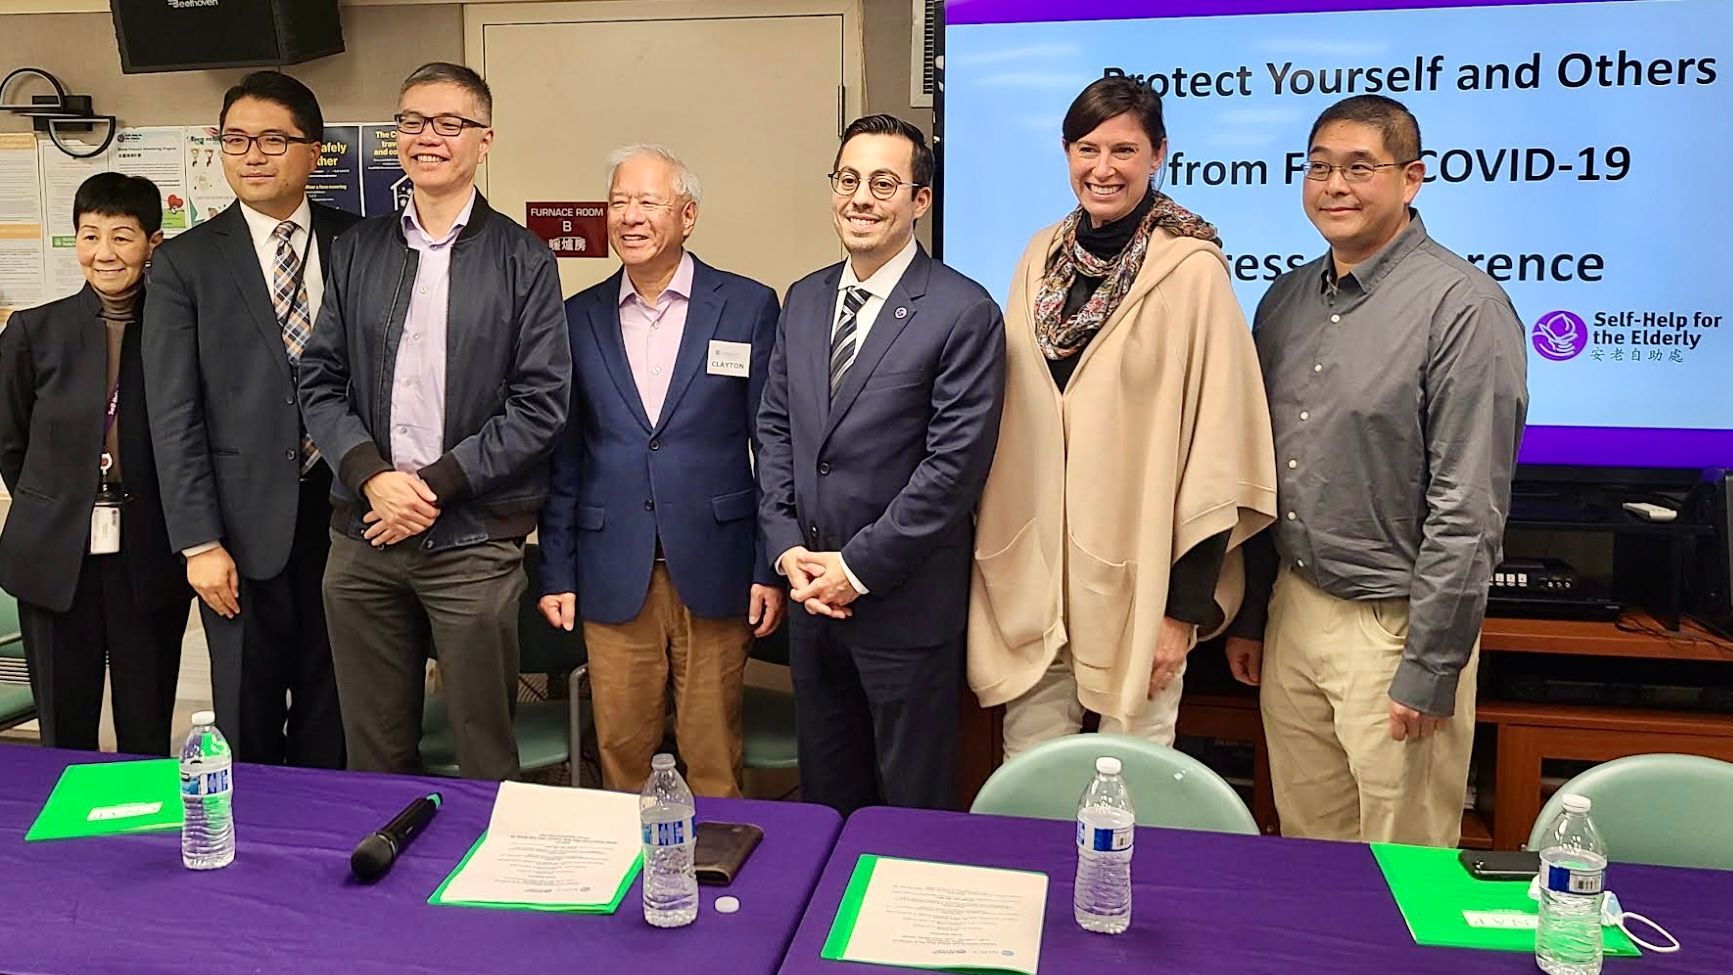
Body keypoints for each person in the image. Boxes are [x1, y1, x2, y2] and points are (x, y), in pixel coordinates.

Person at [1224, 95, 1528, 847]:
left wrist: (1429, 664)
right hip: (1296, 608)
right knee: (1307, 849)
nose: (1335, 186)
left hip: (1395, 626)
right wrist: (1259, 610)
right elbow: (1265, 471)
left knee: (1402, 863)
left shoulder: (1463, 306)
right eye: (1319, 167)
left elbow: (1468, 505)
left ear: (1412, 178)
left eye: (1360, 168)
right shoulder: (1285, 300)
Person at [968, 77, 1277, 757]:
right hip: (1037, 582)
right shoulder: (1036, 258)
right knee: (1029, 772)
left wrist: (1180, 614)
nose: (1101, 167)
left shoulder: (1190, 271)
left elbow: (1216, 452)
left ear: (1158, 154)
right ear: (1065, 151)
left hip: (1141, 589)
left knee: (1127, 787)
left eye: (1123, 149)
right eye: (1086, 148)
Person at [299, 62, 570, 781]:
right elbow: (319, 380)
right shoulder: (357, 249)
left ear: (485, 139)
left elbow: (540, 402)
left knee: (484, 751)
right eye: (413, 121)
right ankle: (379, 883)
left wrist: (430, 489)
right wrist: (369, 478)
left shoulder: (523, 258)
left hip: (472, 540)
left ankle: (485, 889)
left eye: (449, 123)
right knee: (373, 751)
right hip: (363, 535)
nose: (428, 136)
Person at [756, 114, 1005, 814]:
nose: (860, 198)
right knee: (826, 798)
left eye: (883, 183)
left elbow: (951, 470)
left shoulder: (963, 311)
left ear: (919, 200)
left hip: (900, 606)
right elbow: (775, 430)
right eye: (847, 180)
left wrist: (854, 568)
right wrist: (785, 549)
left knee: (910, 806)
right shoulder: (803, 300)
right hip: (811, 600)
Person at [538, 145, 783, 798]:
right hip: (611, 566)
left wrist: (769, 564)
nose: (629, 216)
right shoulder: (576, 316)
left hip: (717, 561)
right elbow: (564, 456)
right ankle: (627, 884)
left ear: (687, 215)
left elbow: (772, 446)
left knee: (712, 750)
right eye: (618, 202)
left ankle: (725, 879)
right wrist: (556, 570)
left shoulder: (748, 305)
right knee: (619, 747)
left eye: (647, 201)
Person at [144, 71, 358, 768]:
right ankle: (250, 856)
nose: (252, 155)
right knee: (246, 705)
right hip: (236, 526)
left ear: (315, 150)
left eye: (272, 138)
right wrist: (197, 541)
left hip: (346, 513)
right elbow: (172, 411)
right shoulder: (185, 262)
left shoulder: (363, 242)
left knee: (339, 703)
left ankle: (323, 851)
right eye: (235, 139)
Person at [0, 173, 191, 754]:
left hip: (149, 551)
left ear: (153, 243)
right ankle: (65, 838)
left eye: (122, 237)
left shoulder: (177, 327)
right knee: (64, 723)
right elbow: (11, 441)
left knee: (146, 721)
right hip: (55, 554)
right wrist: (64, 499)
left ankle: (143, 834)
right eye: (90, 236)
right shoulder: (36, 330)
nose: (103, 253)